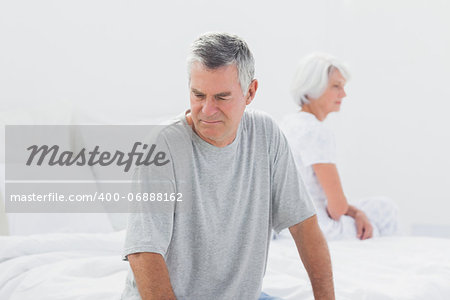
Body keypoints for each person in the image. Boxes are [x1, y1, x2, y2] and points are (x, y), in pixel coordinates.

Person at [121, 33, 335, 299]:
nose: (207, 110)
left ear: (250, 92)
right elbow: (144, 253)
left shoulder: (265, 134)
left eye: (222, 97)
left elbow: (304, 226)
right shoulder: (160, 149)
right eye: (198, 95)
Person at [280, 53, 399, 241]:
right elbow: (336, 209)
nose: (343, 94)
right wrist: (358, 215)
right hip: (319, 228)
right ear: (312, 88)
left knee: (377, 207)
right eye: (336, 86)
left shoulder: (287, 124)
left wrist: (356, 212)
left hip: (287, 226)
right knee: (386, 211)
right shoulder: (316, 132)